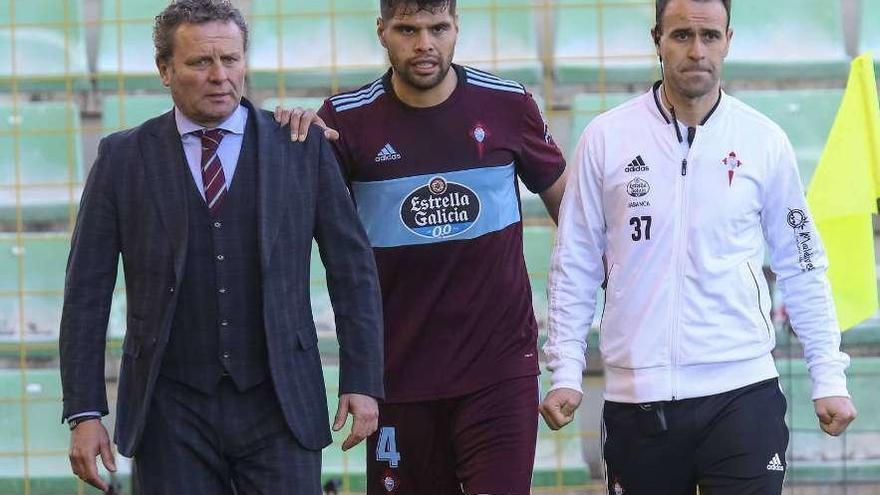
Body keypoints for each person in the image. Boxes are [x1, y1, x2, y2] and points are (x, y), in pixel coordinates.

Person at [59, 1, 384, 493]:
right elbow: (87, 291)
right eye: (199, 62)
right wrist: (84, 411)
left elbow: (352, 272)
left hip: (281, 404)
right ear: (164, 70)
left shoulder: (300, 146)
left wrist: (361, 381)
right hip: (169, 410)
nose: (219, 76)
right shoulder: (122, 158)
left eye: (230, 60)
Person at [540, 0, 858, 493]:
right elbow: (575, 261)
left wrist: (829, 377)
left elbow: (803, 264)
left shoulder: (764, 141)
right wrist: (566, 369)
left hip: (742, 391)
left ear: (728, 40)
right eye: (681, 35)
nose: (696, 50)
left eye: (709, 36)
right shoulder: (605, 138)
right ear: (657, 40)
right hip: (637, 397)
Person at [284, 1, 566, 493]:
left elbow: (575, 218)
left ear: (456, 27)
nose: (424, 44)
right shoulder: (345, 120)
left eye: (438, 28)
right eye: (407, 29)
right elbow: (291, 227)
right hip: (397, 375)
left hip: (498, 370)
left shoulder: (508, 105)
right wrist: (287, 137)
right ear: (381, 32)